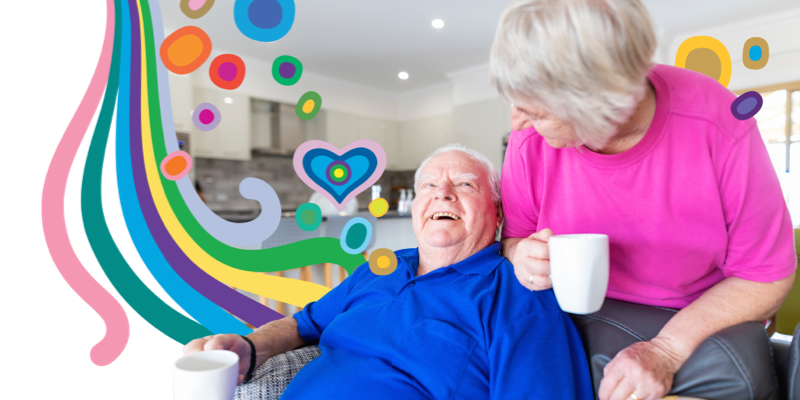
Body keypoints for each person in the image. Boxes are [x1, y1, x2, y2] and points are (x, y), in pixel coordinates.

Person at [488, 1, 797, 399]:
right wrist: (521, 256)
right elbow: (514, 240)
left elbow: (766, 273)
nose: (516, 122)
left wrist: (665, 351)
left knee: (740, 375)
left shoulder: (719, 124)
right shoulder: (529, 143)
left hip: (693, 313)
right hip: (576, 312)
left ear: (601, 103)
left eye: (535, 110)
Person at [183, 143, 594, 399]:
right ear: (416, 209)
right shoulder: (382, 267)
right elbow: (302, 324)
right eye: (428, 187)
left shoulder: (519, 295)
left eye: (465, 185)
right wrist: (251, 347)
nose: (443, 193)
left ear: (498, 212)